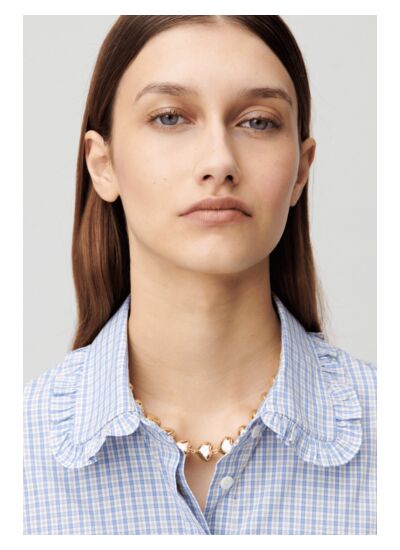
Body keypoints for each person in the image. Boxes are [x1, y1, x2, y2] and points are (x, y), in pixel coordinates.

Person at [23, 15, 376, 535]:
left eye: (258, 121)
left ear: (301, 170)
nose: (219, 161)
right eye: (170, 117)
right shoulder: (19, 451)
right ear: (103, 164)